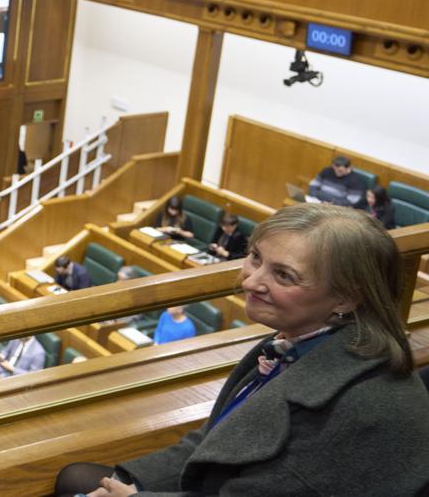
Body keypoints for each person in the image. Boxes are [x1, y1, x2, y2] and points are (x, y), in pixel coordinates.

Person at [54, 203, 429, 496]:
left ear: (346, 298)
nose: (251, 281)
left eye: (284, 275)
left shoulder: (363, 404)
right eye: (256, 257)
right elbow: (214, 440)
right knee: (78, 478)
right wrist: (130, 484)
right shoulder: (292, 341)